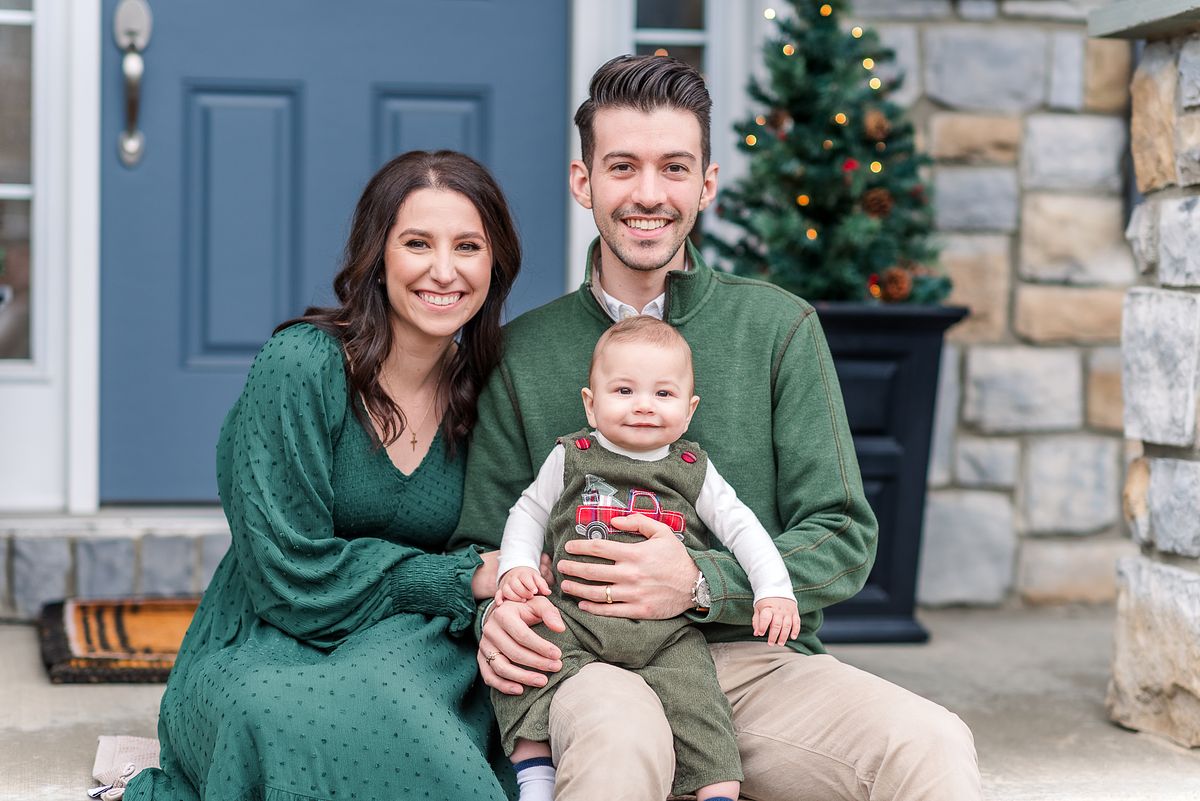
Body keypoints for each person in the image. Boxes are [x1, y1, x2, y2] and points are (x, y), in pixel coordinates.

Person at [449, 55, 984, 801]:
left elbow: (842, 533)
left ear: (706, 183)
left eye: (674, 168)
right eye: (622, 166)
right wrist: (496, 615)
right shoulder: (520, 352)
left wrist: (704, 583)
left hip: (750, 665)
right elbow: (478, 538)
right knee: (619, 743)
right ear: (584, 182)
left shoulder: (778, 327)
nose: (647, 194)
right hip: (590, 659)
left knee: (931, 743)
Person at [124, 150, 529, 801]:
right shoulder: (301, 365)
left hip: (416, 640)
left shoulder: (493, 387)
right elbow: (288, 573)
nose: (445, 270)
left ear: (495, 261)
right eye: (417, 243)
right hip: (269, 631)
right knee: (275, 710)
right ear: (378, 254)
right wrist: (457, 575)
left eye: (468, 245)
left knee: (400, 720)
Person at [493, 316, 800, 801]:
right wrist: (517, 566)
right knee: (529, 658)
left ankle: (717, 791)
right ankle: (535, 775)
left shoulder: (691, 470)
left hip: (666, 633)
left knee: (701, 703)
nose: (643, 406)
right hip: (575, 617)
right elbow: (529, 511)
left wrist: (773, 591)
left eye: (663, 394)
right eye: (623, 391)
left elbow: (744, 530)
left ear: (689, 409)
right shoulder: (573, 456)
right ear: (591, 405)